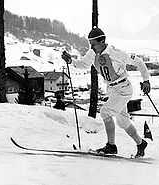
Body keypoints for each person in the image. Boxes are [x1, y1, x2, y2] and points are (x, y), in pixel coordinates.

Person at [62, 27, 151, 158]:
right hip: (113, 90)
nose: (91, 47)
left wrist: (146, 80)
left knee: (105, 112)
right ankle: (140, 143)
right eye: (90, 44)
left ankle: (111, 146)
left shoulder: (116, 53)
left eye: (94, 44)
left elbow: (139, 61)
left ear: (102, 41)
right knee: (123, 122)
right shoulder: (93, 53)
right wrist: (71, 61)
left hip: (123, 89)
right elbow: (84, 64)